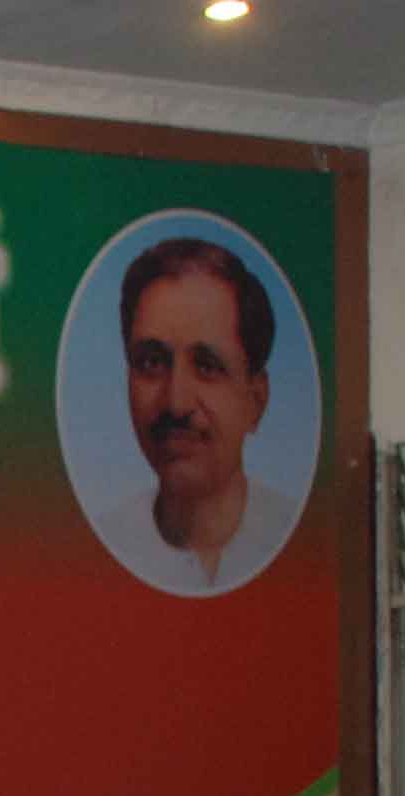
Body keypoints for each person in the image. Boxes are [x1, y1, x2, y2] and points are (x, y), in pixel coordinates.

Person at [97, 235, 302, 594]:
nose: (176, 403)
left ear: (256, 400)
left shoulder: (301, 544)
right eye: (151, 363)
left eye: (207, 366)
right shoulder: (94, 553)